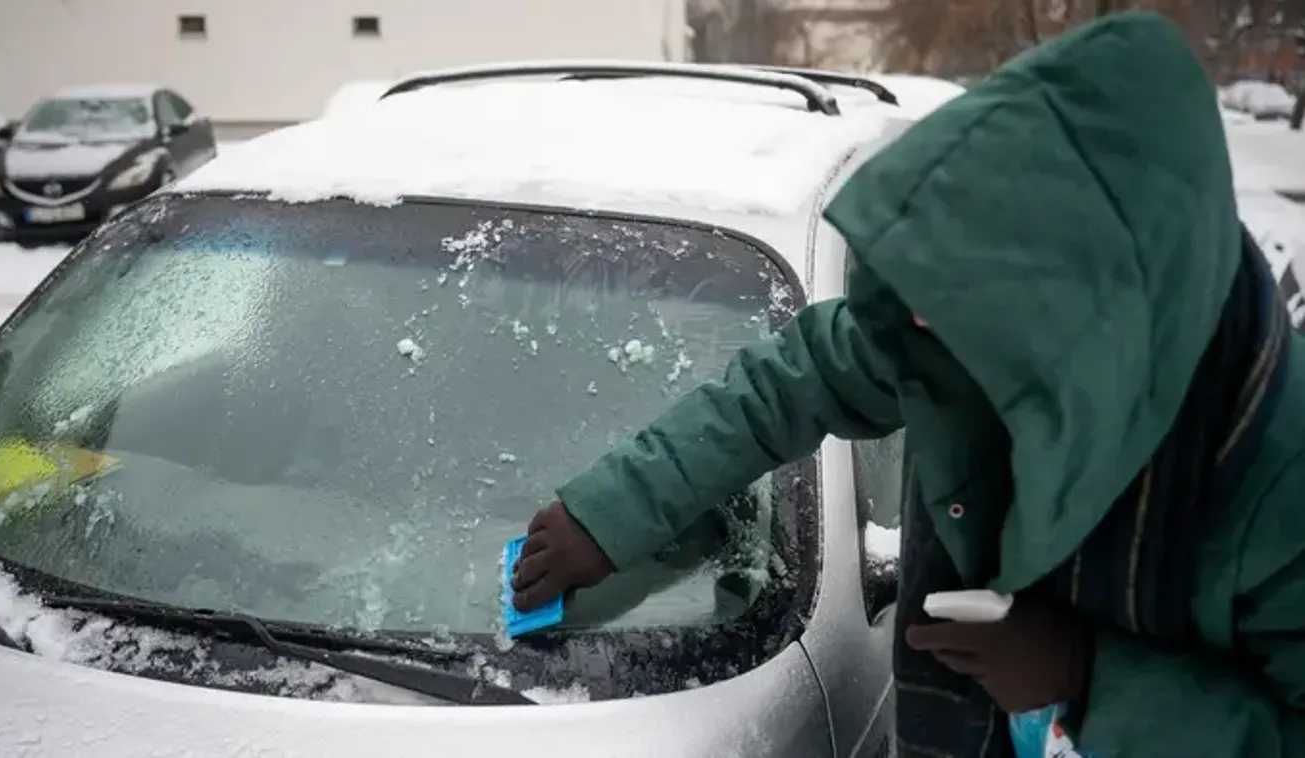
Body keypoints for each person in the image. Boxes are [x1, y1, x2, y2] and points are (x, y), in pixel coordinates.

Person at [510, 11, 1305, 758]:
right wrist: (614, 511)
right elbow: (785, 385)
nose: (914, 323)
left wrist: (1092, 678)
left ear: (1076, 311)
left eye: (954, 295)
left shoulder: (1276, 475)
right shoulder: (946, 343)